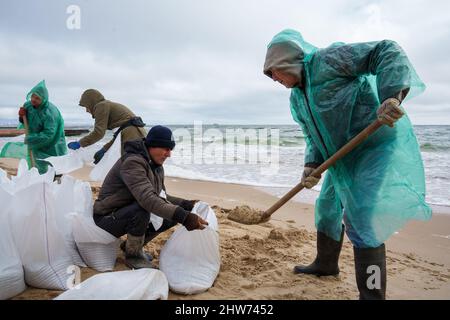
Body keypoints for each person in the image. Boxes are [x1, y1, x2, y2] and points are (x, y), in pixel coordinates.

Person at [263, 29, 431, 300]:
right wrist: (311, 164)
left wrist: (391, 96)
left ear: (286, 62)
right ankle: (326, 264)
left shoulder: (329, 60)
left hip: (372, 146)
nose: (274, 79)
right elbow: (312, 134)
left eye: (274, 72)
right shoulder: (296, 99)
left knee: (360, 217)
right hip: (340, 155)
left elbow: (385, 50)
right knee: (327, 208)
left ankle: (372, 295)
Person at [93, 125, 208, 269]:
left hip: (124, 213)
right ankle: (133, 255)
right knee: (142, 209)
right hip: (105, 218)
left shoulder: (156, 166)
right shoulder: (133, 163)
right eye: (166, 149)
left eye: (170, 149)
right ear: (152, 146)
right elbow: (148, 199)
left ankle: (131, 246)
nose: (169, 154)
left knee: (170, 213)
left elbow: (161, 196)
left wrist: (186, 204)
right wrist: (185, 217)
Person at [67, 89, 147, 164]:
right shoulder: (106, 105)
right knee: (134, 164)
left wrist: (80, 143)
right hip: (135, 133)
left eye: (86, 107)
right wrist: (104, 149)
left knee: (130, 165)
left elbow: (98, 133)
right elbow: (118, 134)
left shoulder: (101, 106)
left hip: (132, 134)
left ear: (91, 102)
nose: (86, 110)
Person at [18, 80, 67, 174]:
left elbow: (49, 134)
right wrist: (21, 116)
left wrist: (31, 139)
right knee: (36, 163)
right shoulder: (28, 105)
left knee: (54, 164)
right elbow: (27, 121)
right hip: (36, 140)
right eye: (33, 96)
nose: (33, 99)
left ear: (43, 99)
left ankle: (55, 180)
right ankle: (39, 179)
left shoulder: (50, 113)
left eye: (37, 98)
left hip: (53, 142)